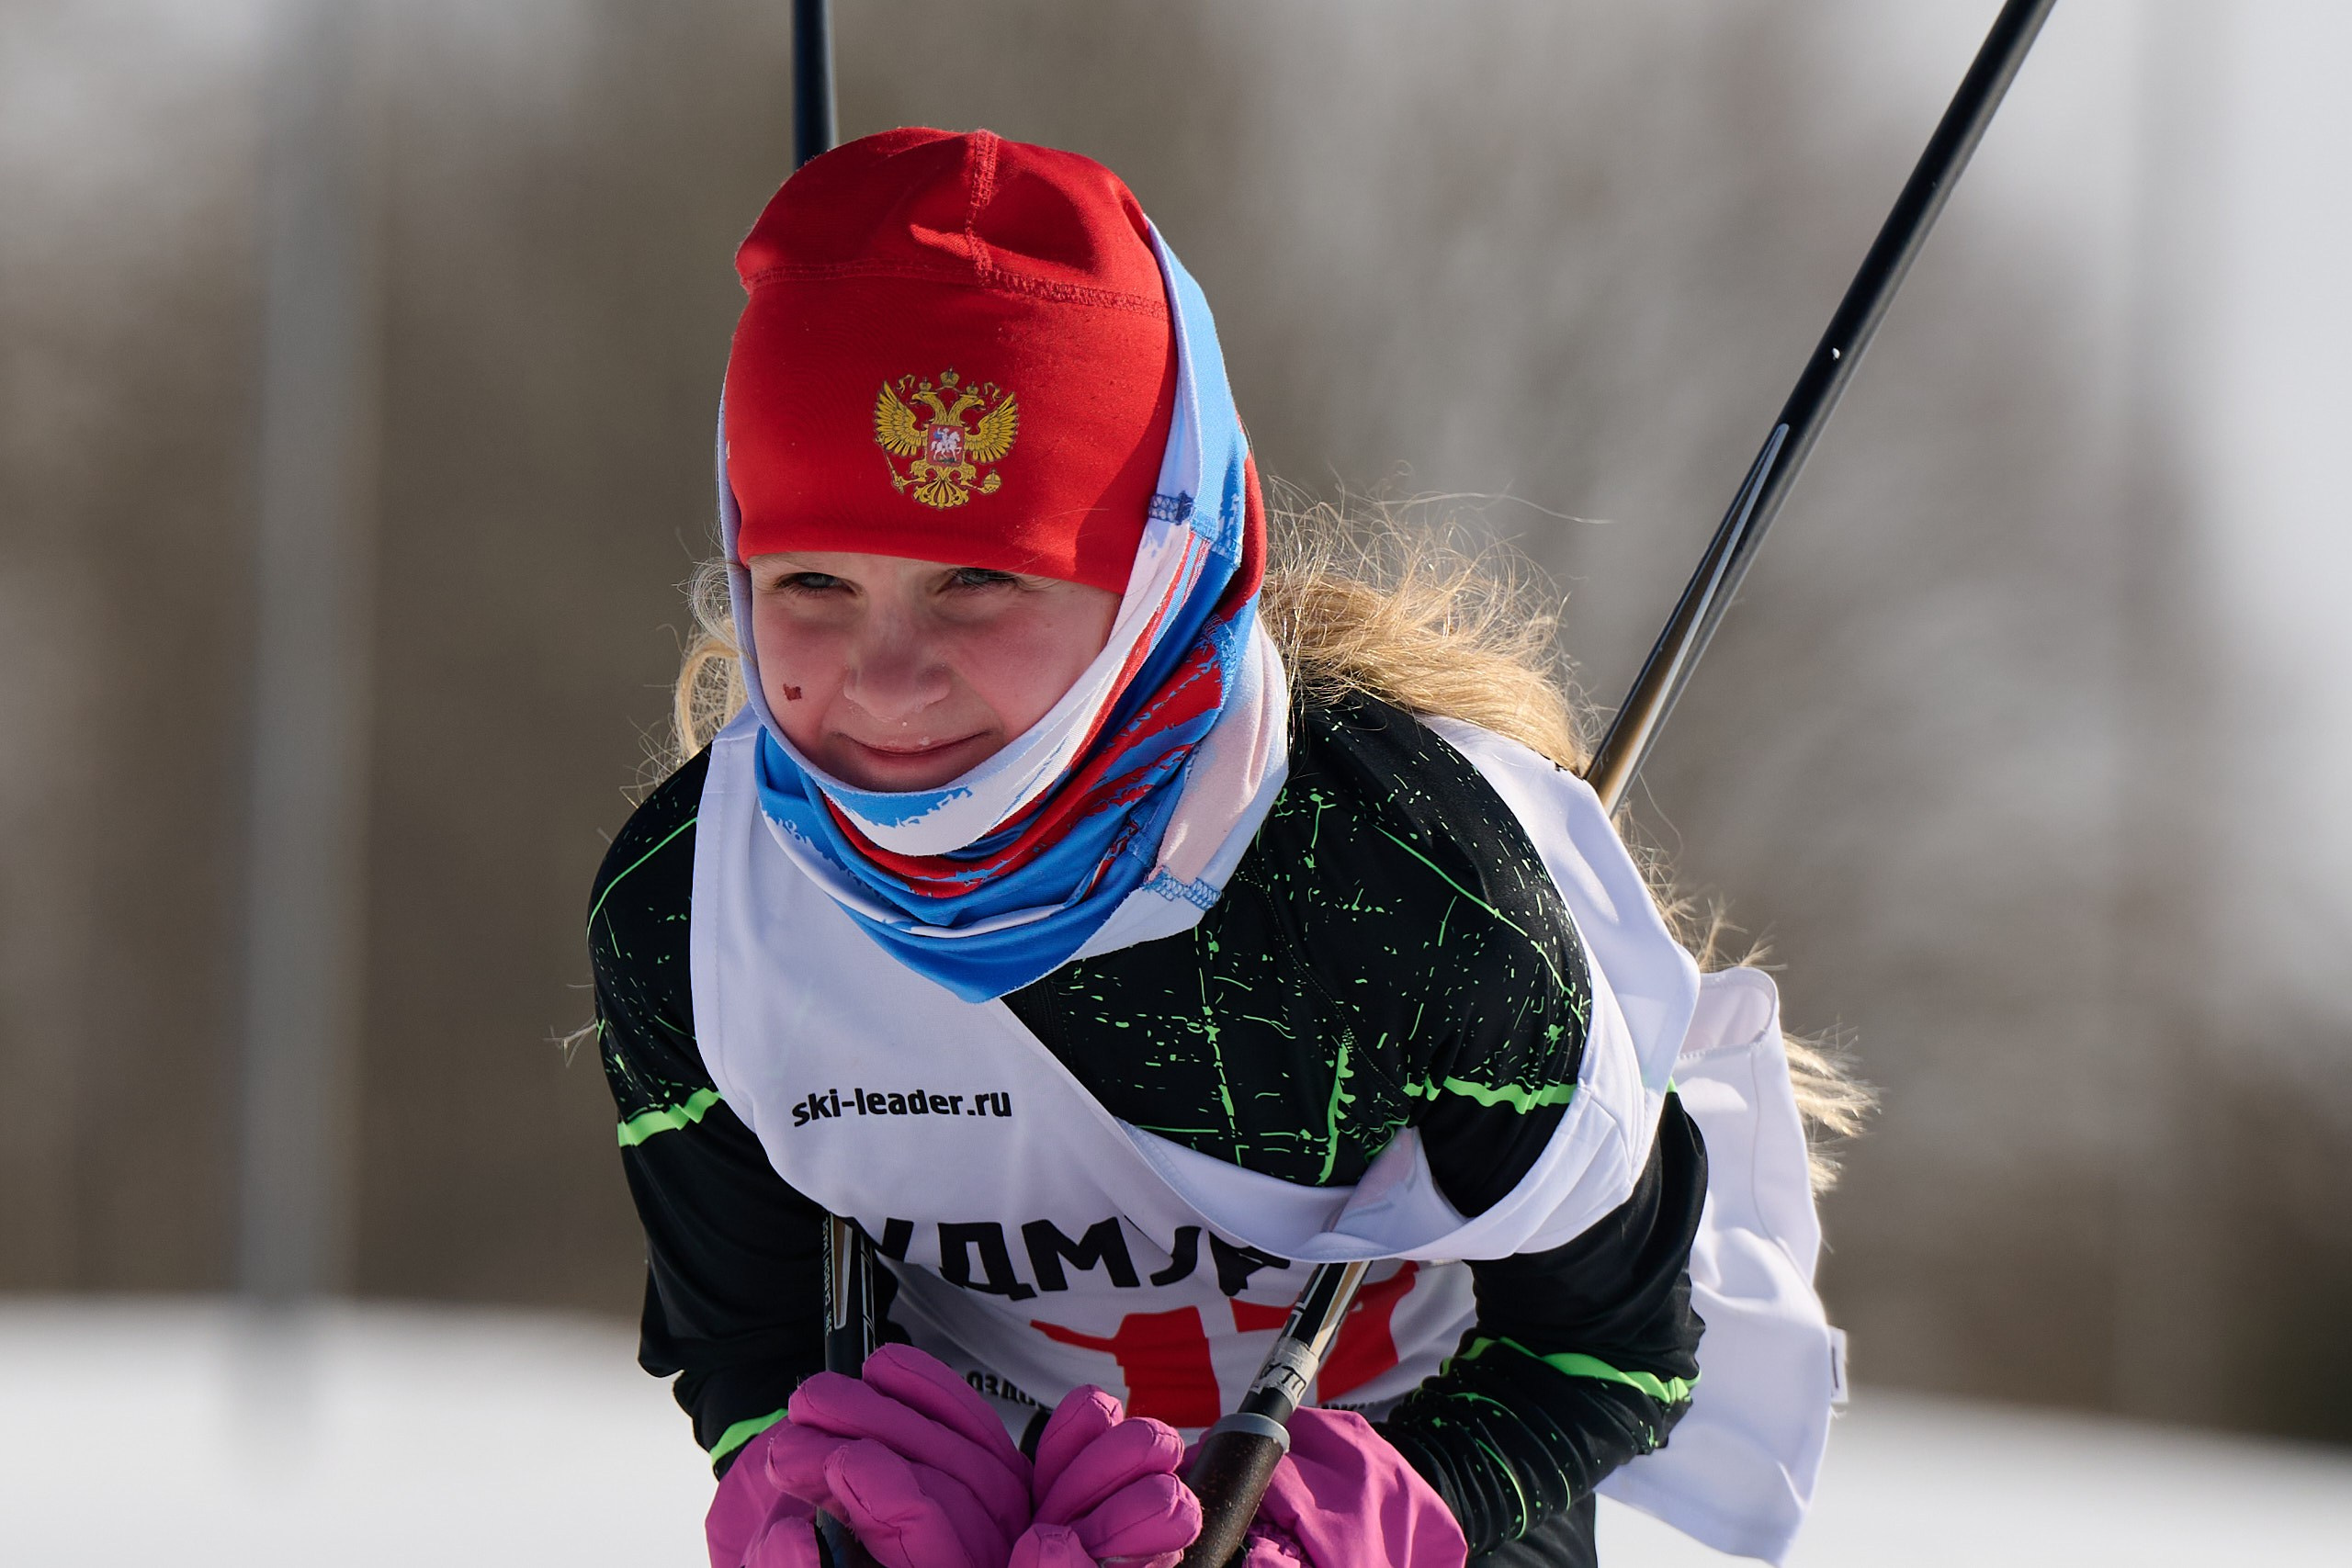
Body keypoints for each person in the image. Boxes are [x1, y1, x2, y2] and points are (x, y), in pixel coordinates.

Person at [592, 129, 1857, 1568]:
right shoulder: (696, 914)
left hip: (1406, 1464)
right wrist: (812, 1481)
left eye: (980, 580)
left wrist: (1369, 1523)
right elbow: (746, 1336)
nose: (885, 680)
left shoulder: (1406, 895)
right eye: (812, 579)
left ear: (1155, 569)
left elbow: (1614, 1354)